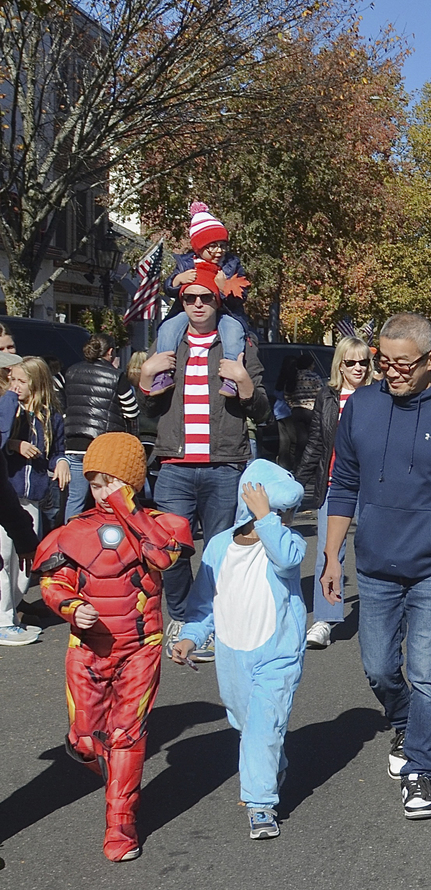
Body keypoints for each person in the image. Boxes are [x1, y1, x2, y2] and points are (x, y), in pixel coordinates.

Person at [322, 313, 431, 821]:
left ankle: (421, 767)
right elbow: (344, 484)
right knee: (377, 665)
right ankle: (404, 718)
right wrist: (332, 555)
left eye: (401, 364)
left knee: (426, 670)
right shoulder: (363, 407)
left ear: (430, 359)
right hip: (374, 562)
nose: (390, 372)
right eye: (382, 361)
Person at [33, 433, 192, 860]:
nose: (103, 492)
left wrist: (128, 509)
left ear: (132, 481)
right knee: (85, 740)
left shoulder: (161, 525)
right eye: (97, 483)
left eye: (112, 482)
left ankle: (120, 828)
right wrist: (69, 606)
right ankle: (98, 761)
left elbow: (162, 557)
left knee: (125, 734)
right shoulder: (74, 531)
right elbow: (52, 579)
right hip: (87, 650)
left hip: (141, 646)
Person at [137, 263, 270, 652]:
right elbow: (146, 417)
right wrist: (146, 381)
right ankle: (181, 617)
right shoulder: (167, 345)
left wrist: (245, 387)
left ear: (217, 301)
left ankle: (210, 622)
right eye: (189, 297)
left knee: (218, 551)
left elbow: (261, 411)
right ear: (181, 301)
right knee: (172, 552)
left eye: (205, 297)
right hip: (175, 467)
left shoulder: (239, 346)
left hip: (223, 465)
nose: (197, 304)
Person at [169, 460, 305, 841]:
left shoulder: (287, 542)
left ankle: (261, 805)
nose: (280, 519)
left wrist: (268, 520)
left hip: (278, 653)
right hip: (232, 657)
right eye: (275, 511)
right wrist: (190, 637)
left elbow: (287, 560)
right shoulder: (217, 547)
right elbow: (203, 602)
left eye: (282, 513)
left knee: (263, 726)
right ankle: (270, 761)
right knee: (249, 726)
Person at [295, 335, 371, 650]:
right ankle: (325, 620)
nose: (357, 367)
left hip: (372, 486)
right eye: (350, 362)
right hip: (334, 485)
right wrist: (297, 485)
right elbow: (315, 443)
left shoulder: (379, 395)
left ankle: (383, 617)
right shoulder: (328, 397)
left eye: (363, 362)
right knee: (329, 552)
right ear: (339, 364)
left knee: (376, 552)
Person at [153, 202, 252, 393]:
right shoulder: (186, 264)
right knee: (168, 327)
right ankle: (163, 373)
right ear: (199, 248)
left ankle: (231, 376)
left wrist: (224, 289)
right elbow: (169, 289)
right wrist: (177, 281)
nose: (218, 251)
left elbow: (241, 296)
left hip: (226, 312)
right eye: (211, 246)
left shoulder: (232, 265)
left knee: (233, 331)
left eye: (222, 245)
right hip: (187, 310)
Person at [2, 356, 66, 644]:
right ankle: (3, 619)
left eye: (21, 381)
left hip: (34, 497)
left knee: (26, 564)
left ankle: (12, 607)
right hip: (8, 494)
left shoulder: (50, 416)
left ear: (37, 384)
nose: (14, 386)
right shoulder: (9, 411)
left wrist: (61, 461)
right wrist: (15, 444)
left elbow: (59, 449)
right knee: (4, 557)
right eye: (11, 379)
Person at [60, 335, 139, 520]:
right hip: (105, 445)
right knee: (108, 497)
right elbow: (131, 410)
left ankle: (70, 540)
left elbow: (62, 400)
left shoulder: (70, 372)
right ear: (110, 352)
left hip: (74, 443)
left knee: (75, 500)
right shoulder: (116, 375)